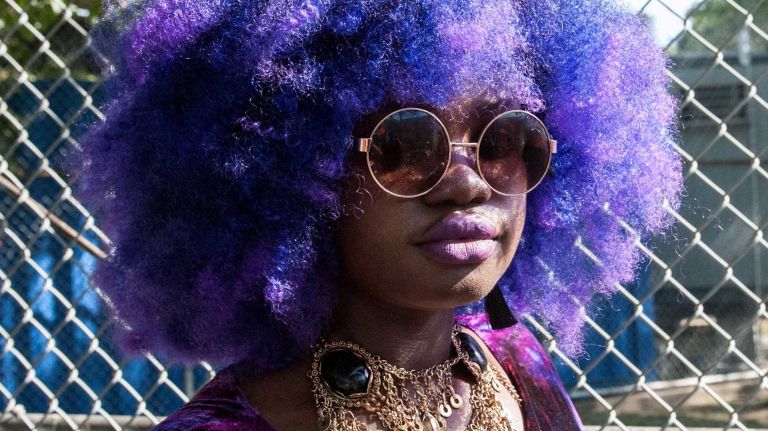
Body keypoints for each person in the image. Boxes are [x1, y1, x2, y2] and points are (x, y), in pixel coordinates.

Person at [70, 0, 683, 429]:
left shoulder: (520, 367)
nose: (467, 185)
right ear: (288, 172)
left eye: (504, 142)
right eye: (406, 146)